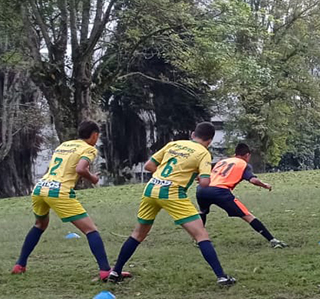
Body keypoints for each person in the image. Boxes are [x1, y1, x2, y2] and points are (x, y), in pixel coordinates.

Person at [107, 122, 236, 286]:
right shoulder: (203, 153)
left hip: (151, 189)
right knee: (201, 235)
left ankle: (115, 271)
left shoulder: (174, 144)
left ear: (192, 134)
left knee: (138, 234)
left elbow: (149, 166)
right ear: (209, 140)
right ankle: (222, 277)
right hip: (172, 193)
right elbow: (204, 183)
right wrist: (199, 175)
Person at [12, 120, 112, 279]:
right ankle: (106, 271)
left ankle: (20, 265)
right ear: (94, 135)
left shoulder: (64, 145)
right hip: (58, 191)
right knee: (91, 230)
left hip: (40, 188)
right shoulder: (89, 149)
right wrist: (92, 178)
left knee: (39, 225)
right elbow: (80, 168)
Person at [197, 143, 286, 248]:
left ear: (235, 154)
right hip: (220, 191)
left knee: (203, 212)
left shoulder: (222, 161)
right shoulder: (243, 164)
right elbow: (253, 180)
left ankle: (199, 240)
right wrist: (265, 185)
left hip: (202, 190)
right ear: (247, 155)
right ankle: (273, 240)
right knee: (247, 216)